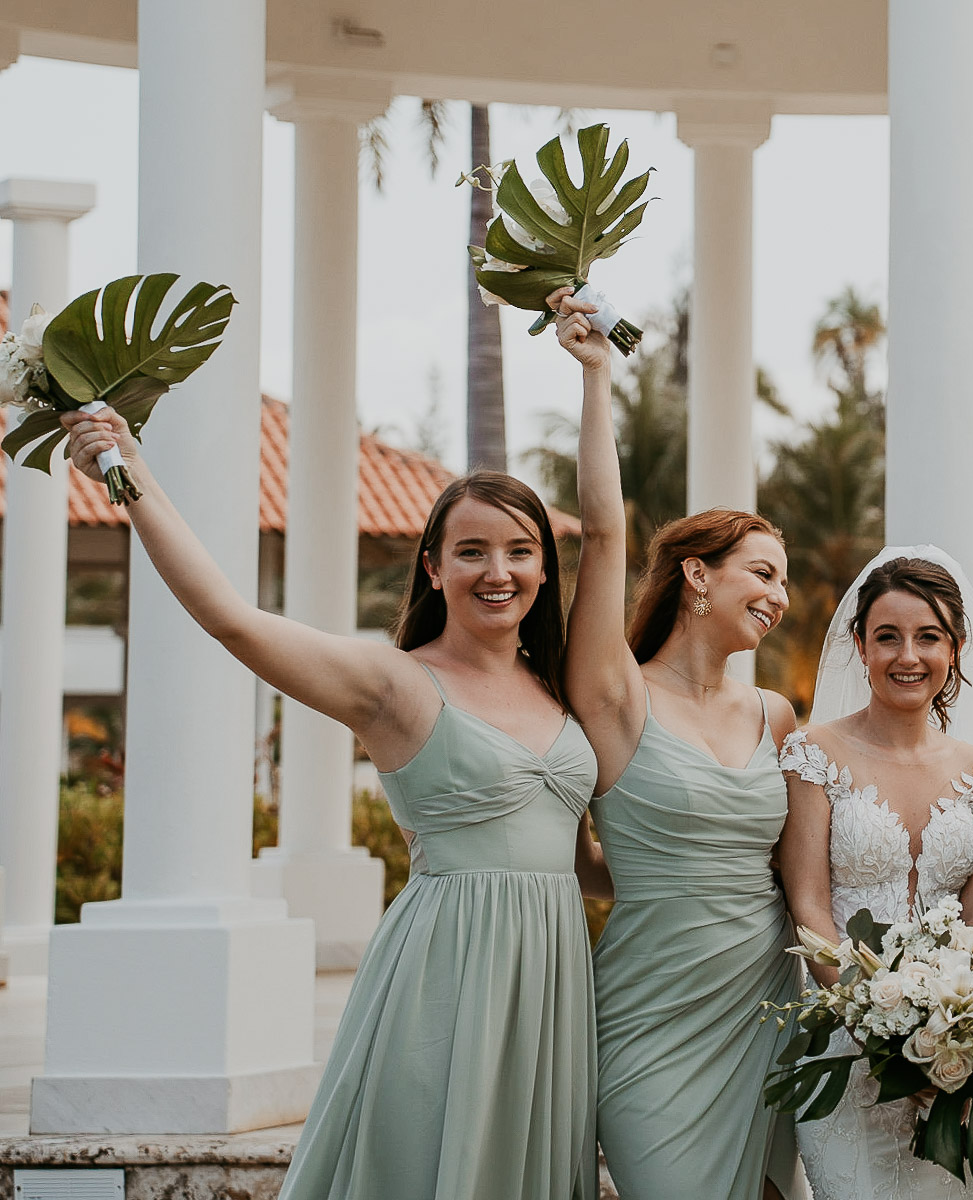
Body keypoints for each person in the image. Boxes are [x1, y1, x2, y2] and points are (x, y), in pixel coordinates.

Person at [61, 410, 598, 1200]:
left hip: (552, 984)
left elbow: (581, 863)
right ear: (433, 566)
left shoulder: (561, 688)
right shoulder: (392, 682)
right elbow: (232, 621)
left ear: (546, 569)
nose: (498, 571)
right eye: (472, 551)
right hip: (445, 975)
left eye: (520, 551)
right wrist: (128, 472)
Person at [551, 289, 804, 1200]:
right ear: (698, 573)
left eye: (785, 581)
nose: (779, 597)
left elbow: (796, 868)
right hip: (651, 1018)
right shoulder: (618, 696)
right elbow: (607, 530)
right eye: (763, 573)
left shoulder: (776, 715)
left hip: (765, 1011)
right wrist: (596, 378)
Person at [777, 549, 973, 1200]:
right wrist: (879, 1026)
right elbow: (808, 903)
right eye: (888, 637)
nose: (908, 656)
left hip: (953, 1054)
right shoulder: (814, 754)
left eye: (928, 637)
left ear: (956, 647)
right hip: (845, 1045)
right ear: (860, 645)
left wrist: (947, 1031)